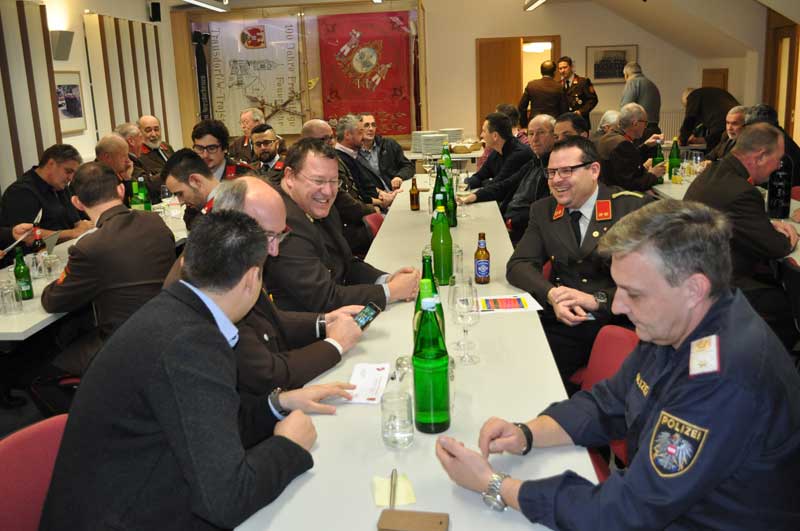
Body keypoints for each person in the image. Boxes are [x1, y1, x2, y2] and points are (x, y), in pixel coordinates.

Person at [438, 198, 800, 529]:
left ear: (694, 289)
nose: (616, 306)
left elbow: (626, 512)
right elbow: (609, 401)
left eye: (634, 294)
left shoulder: (724, 377)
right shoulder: (676, 323)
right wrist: (526, 433)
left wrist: (495, 485)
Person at [39, 210, 356, 530]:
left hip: (134, 491)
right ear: (252, 279)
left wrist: (277, 404)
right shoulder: (192, 344)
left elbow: (211, 425)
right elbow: (228, 500)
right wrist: (288, 447)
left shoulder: (174, 312)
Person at [507, 136, 649, 390]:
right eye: (551, 172)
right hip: (564, 323)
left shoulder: (631, 208)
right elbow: (519, 264)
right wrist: (551, 294)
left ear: (593, 170)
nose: (556, 180)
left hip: (616, 321)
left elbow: (656, 283)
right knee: (515, 360)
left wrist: (597, 300)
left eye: (566, 171)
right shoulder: (544, 210)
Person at [210, 177, 365, 396]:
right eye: (268, 236)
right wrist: (335, 344)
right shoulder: (215, 282)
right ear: (230, 227)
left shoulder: (236, 260)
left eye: (280, 235)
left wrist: (325, 321)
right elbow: (266, 374)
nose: (274, 251)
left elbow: (270, 321)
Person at [40, 162, 176, 375]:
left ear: (77, 203)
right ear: (121, 190)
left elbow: (53, 301)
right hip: (169, 329)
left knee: (44, 368)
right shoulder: (155, 221)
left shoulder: (89, 247)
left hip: (123, 344)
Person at [266, 137, 419, 312]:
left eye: (334, 181)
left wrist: (386, 280)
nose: (328, 191)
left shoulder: (319, 204)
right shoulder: (278, 221)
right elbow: (323, 298)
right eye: (318, 181)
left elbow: (346, 263)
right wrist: (391, 291)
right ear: (290, 177)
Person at [685, 122, 798, 349]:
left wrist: (766, 224)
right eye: (777, 159)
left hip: (692, 272)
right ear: (760, 156)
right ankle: (767, 363)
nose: (778, 167)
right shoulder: (742, 192)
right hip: (720, 283)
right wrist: (791, 233)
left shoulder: (712, 173)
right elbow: (776, 247)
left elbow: (737, 220)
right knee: (789, 305)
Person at [461, 115, 554, 244]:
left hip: (522, 232)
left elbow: (541, 210)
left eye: (541, 133)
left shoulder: (549, 168)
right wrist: (475, 195)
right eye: (531, 133)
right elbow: (505, 184)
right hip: (509, 220)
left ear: (555, 136)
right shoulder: (534, 162)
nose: (535, 139)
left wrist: (511, 223)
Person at [293, 119, 376, 256]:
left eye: (332, 137)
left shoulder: (332, 159)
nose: (331, 142)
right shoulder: (304, 168)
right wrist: (372, 209)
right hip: (342, 228)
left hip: (342, 224)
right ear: (306, 141)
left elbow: (355, 189)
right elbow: (344, 203)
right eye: (323, 139)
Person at [0, 144, 92, 243]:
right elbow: (27, 235)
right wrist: (72, 233)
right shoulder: (21, 192)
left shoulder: (60, 185)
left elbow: (77, 222)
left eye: (74, 173)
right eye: (68, 171)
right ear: (51, 164)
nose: (71, 178)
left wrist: (83, 227)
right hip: (41, 250)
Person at [596, 103, 666, 192]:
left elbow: (627, 161)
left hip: (605, 191)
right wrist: (653, 175)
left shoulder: (610, 136)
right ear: (635, 123)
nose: (645, 127)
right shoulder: (623, 144)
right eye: (645, 123)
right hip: (618, 195)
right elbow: (631, 185)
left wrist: (646, 145)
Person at [336, 113, 397, 207]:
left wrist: (383, 194)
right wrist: (382, 202)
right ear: (347, 135)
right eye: (360, 132)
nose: (363, 137)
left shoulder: (352, 155)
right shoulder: (339, 159)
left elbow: (366, 185)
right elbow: (357, 195)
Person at [466, 112, 533, 189]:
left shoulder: (519, 154)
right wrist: (468, 183)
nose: (481, 135)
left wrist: (483, 182)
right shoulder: (496, 152)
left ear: (495, 136)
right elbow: (479, 176)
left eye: (484, 131)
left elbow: (497, 186)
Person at [163, 148, 222, 229]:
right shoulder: (228, 198)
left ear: (196, 181)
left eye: (180, 194)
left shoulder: (220, 216)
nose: (180, 202)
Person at [357, 112, 415, 191]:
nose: (371, 129)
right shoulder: (354, 153)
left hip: (396, 191)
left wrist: (399, 177)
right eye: (366, 125)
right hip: (374, 195)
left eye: (373, 125)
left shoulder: (389, 144)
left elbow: (408, 166)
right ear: (358, 129)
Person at [619, 62, 661, 149]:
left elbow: (625, 110)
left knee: (638, 155)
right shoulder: (652, 84)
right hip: (654, 129)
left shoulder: (632, 83)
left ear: (626, 75)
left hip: (640, 131)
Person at [476, 103, 529, 171]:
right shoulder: (494, 140)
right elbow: (481, 168)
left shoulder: (525, 144)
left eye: (495, 119)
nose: (491, 122)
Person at [518, 60, 567, 127]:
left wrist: (524, 124)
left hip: (534, 123)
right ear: (554, 72)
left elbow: (521, 107)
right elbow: (564, 110)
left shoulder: (531, 85)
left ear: (541, 72)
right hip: (552, 124)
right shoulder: (559, 87)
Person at [558, 56, 598, 129]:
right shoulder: (559, 84)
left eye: (565, 67)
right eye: (560, 68)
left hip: (581, 122)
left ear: (571, 67)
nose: (562, 70)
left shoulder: (583, 82)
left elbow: (593, 100)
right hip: (565, 123)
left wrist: (581, 111)